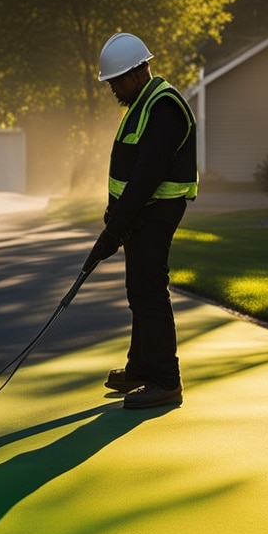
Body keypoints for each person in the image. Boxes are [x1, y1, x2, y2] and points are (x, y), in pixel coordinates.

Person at [84, 32, 198, 409]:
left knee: (149, 290)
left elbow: (147, 178)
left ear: (136, 73)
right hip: (141, 212)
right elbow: (127, 173)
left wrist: (113, 231)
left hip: (158, 210)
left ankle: (166, 380)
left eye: (115, 81)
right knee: (139, 289)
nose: (113, 87)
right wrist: (112, 220)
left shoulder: (164, 108)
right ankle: (141, 368)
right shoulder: (141, 104)